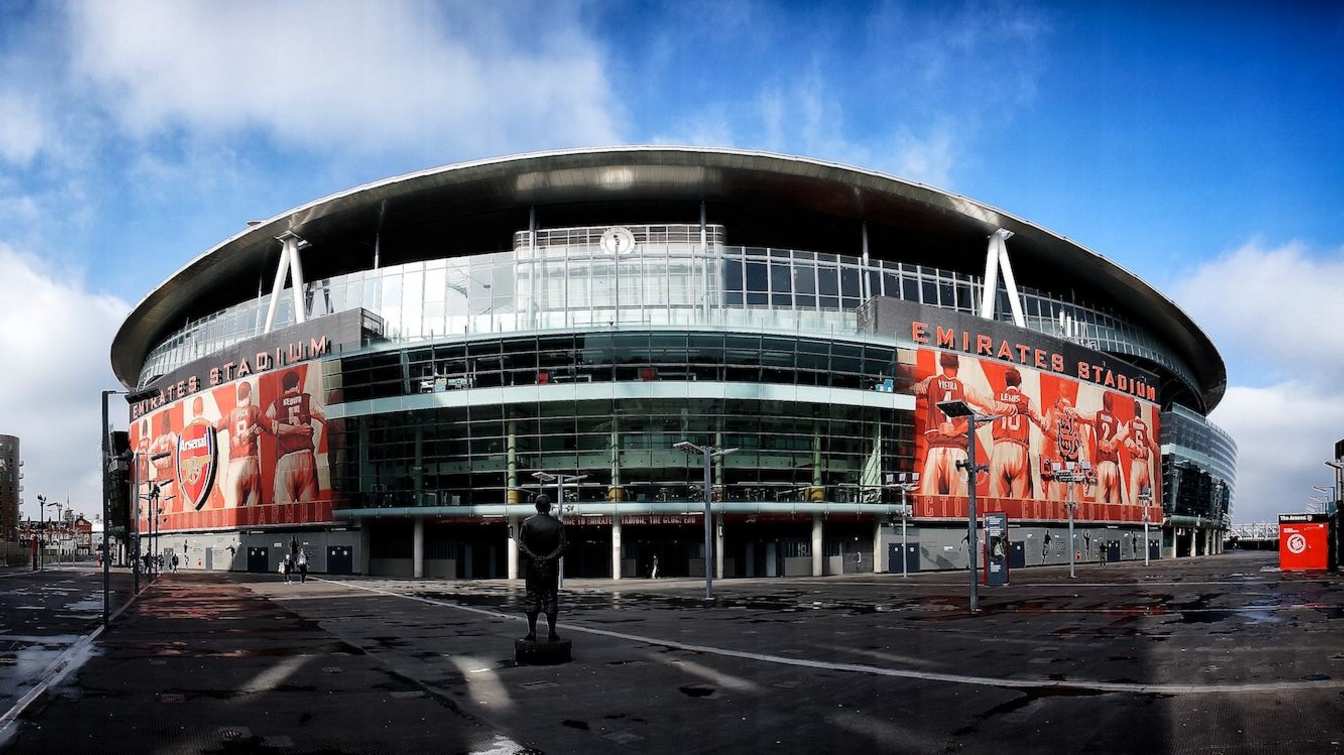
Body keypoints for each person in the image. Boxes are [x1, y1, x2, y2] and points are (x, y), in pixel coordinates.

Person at [912, 353, 1013, 497]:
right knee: (960, 504)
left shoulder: (931, 382)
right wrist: (1011, 408)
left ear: (941, 363)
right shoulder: (964, 388)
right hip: (958, 451)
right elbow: (990, 409)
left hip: (935, 449)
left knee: (929, 502)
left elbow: (912, 390)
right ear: (957, 366)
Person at [267, 371, 327, 503]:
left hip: (286, 458)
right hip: (306, 456)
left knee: (283, 509)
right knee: (308, 508)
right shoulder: (307, 399)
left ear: (283, 387)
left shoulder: (276, 404)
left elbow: (264, 425)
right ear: (298, 384)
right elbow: (326, 418)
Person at [987, 367, 1042, 499]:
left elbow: (980, 419)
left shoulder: (995, 397)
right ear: (1020, 384)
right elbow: (1042, 422)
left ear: (1006, 382)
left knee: (997, 503)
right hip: (1019, 450)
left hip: (999, 448)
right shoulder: (1026, 400)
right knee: (1022, 504)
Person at [517, 494, 566, 642]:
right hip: (550, 567)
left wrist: (535, 557)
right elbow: (562, 547)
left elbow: (522, 546)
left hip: (533, 567)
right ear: (549, 507)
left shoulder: (527, 523)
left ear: (536, 506)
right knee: (550, 598)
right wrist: (548, 558)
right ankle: (552, 632)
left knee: (532, 598)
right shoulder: (557, 525)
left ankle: (532, 633)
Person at [215, 381, 265, 508]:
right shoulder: (254, 410)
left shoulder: (231, 414)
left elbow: (215, 427)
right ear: (250, 393)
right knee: (253, 511)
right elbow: (267, 425)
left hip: (235, 464)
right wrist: (253, 431)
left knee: (232, 511)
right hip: (250, 462)